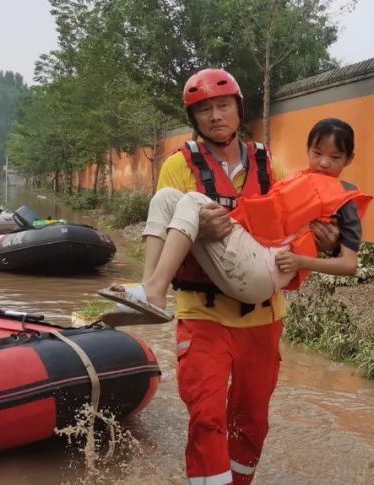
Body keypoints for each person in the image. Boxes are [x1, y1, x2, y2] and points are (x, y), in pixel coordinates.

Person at [101, 68, 341, 485]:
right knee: (206, 415)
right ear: (194, 118)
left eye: (223, 106)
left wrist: (326, 241)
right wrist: (200, 231)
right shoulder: (178, 166)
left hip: (261, 314)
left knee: (252, 422)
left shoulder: (269, 164)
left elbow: (292, 231)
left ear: (238, 109)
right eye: (205, 109)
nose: (215, 116)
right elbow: (168, 233)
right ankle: (151, 290)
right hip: (203, 312)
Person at [100, 118, 371, 323]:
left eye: (335, 157)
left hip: (266, 272)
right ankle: (148, 288)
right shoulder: (296, 179)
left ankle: (156, 292)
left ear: (349, 159)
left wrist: (302, 261)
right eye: (317, 153)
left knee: (193, 201)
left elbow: (348, 264)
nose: (324, 163)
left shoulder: (346, 198)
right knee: (166, 197)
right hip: (250, 256)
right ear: (308, 149)